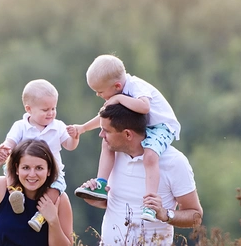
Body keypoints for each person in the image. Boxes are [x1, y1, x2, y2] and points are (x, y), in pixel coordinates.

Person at [77, 104, 202, 246]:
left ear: (128, 134)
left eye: (106, 131)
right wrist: (94, 197)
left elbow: (195, 216)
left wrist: (165, 214)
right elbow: (118, 203)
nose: (101, 135)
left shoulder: (174, 162)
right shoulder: (112, 156)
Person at [68, 54, 181, 222]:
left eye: (100, 92)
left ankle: (150, 203)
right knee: (107, 142)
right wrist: (83, 128)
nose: (99, 95)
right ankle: (101, 184)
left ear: (117, 86)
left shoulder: (136, 87)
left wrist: (119, 98)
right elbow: (105, 117)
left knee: (150, 156)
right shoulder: (118, 92)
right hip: (142, 126)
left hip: (161, 127)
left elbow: (144, 107)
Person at [0, 79, 79, 232]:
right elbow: (10, 142)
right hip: (24, 168)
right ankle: (15, 194)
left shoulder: (58, 126)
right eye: (45, 110)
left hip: (52, 172)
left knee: (56, 188)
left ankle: (40, 216)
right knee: (8, 169)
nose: (50, 113)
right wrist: (5, 149)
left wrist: (74, 137)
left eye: (53, 108)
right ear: (29, 109)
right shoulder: (21, 126)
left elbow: (69, 146)